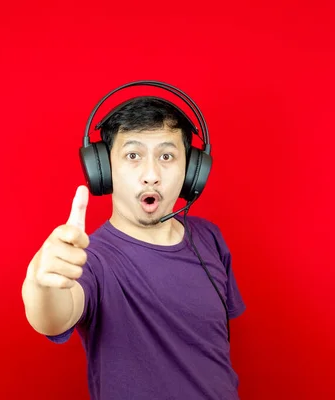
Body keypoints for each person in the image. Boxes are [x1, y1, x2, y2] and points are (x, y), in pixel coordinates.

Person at [21, 89, 246, 399]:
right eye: (133, 155)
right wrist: (41, 284)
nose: (151, 175)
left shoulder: (209, 238)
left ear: (193, 170)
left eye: (166, 156)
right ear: (103, 170)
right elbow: (54, 316)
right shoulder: (90, 260)